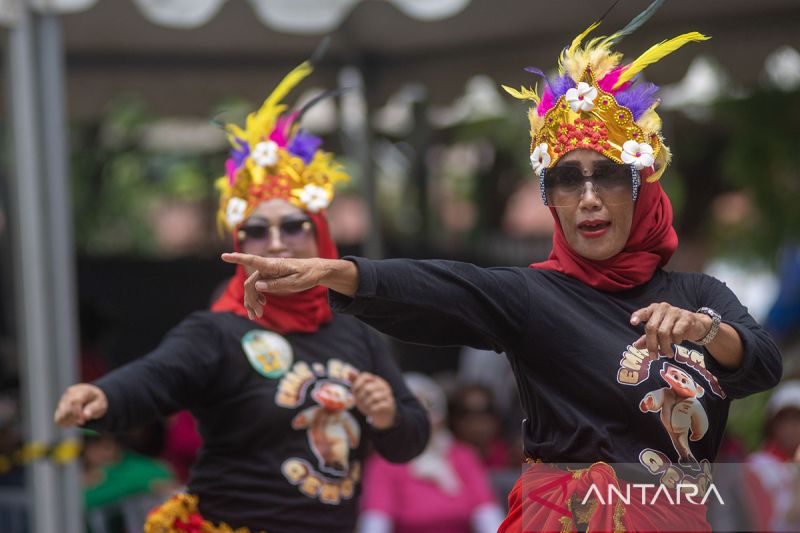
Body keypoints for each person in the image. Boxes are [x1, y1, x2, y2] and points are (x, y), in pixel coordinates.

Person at [222, 4, 783, 531]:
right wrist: (334, 272)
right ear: (551, 199)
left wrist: (705, 330)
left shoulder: (699, 292)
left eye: (607, 175)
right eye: (567, 179)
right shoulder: (536, 296)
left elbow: (761, 366)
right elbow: (438, 287)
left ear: (641, 189)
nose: (588, 198)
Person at [54, 56, 429, 533]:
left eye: (293, 225)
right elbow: (158, 377)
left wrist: (389, 413)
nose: (275, 242)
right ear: (238, 246)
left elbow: (408, 443)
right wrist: (102, 395)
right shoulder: (216, 333)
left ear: (321, 239)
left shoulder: (357, 336)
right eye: (256, 230)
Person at [358, 373, 505, 533]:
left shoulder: (462, 456)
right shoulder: (385, 463)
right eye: (413, 411)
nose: (425, 418)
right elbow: (375, 524)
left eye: (430, 408)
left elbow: (488, 516)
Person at [743, 380, 800, 531]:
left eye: (797, 419)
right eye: (784, 419)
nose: (791, 427)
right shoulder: (757, 466)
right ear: (772, 424)